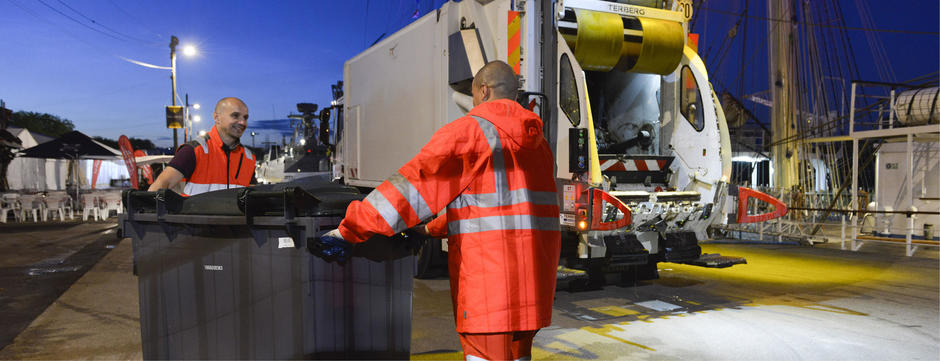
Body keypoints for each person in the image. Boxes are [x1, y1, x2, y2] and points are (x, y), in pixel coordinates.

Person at [319, 61, 560, 360]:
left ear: (483, 91)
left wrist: (349, 230)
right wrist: (430, 229)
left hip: (490, 288)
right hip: (533, 287)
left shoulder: (469, 133)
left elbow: (411, 189)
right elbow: (498, 205)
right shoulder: (539, 144)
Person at [148, 97, 256, 195]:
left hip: (235, 217)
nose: (242, 122)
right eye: (235, 116)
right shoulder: (193, 150)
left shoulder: (249, 157)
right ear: (216, 117)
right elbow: (157, 188)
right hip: (193, 217)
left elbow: (253, 198)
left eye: (245, 118)